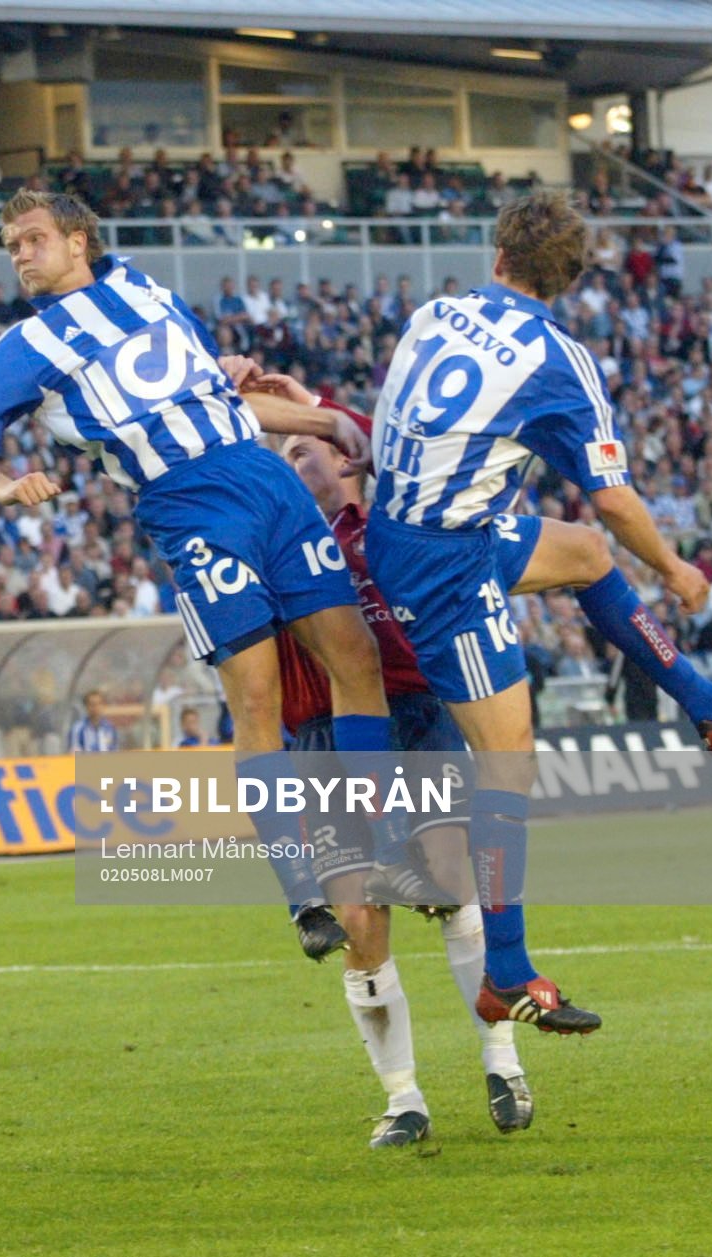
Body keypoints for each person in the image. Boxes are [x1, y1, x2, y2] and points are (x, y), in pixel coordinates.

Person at [0, 190, 442, 963]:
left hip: (266, 482)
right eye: (11, 246)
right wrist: (3, 487)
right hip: (189, 505)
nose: (20, 255)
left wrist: (326, 421)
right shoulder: (28, 345)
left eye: (32, 238)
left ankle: (393, 847)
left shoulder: (145, 287)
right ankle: (301, 892)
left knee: (356, 657)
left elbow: (222, 397)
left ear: (78, 240)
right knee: (258, 696)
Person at [365, 190, 712, 1035]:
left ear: (499, 256)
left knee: (587, 554)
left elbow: (393, 424)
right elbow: (613, 494)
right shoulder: (558, 360)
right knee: (509, 765)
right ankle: (506, 971)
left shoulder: (438, 312)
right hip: (444, 564)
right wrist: (674, 568)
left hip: (423, 528)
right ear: (566, 280)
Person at [276, 416, 529, 1150]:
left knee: (450, 879)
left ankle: (503, 1063)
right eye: (282, 454)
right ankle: (403, 1099)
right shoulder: (269, 546)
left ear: (346, 461)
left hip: (414, 720)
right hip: (322, 740)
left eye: (302, 450)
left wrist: (317, 410)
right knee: (361, 919)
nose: (289, 463)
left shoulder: (385, 532)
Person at [67, 689, 119, 753]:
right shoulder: (77, 728)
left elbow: (115, 750)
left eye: (99, 703)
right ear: (86, 706)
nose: (96, 707)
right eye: (92, 704)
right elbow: (74, 753)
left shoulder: (110, 727)